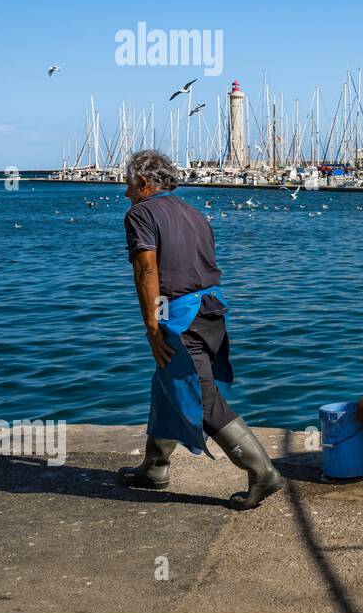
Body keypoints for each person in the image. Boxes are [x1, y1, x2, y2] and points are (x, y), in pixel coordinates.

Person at [116, 150, 284, 509]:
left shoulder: (140, 213)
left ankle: (262, 472)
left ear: (144, 183)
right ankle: (155, 467)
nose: (126, 192)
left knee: (201, 398)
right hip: (211, 309)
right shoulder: (192, 212)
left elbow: (148, 271)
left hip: (181, 315)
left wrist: (151, 327)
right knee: (168, 380)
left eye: (128, 184)